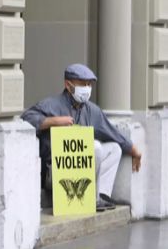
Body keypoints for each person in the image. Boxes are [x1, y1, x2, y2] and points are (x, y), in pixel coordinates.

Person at [21, 63, 142, 211]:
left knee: (114, 149)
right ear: (68, 84)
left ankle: (100, 196)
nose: (87, 88)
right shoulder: (51, 105)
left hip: (81, 173)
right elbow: (26, 119)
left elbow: (112, 133)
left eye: (89, 84)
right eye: (82, 84)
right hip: (54, 173)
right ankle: (91, 198)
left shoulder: (92, 110)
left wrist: (133, 150)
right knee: (95, 146)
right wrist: (53, 121)